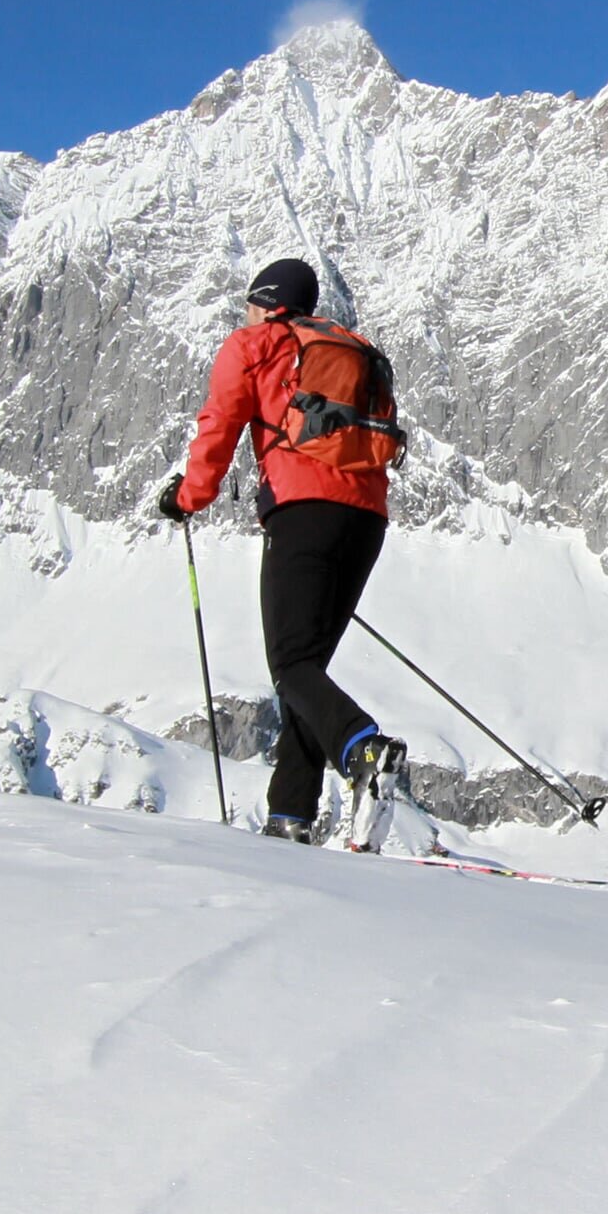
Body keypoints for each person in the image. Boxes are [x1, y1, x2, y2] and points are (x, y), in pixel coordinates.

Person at [159, 257, 408, 842]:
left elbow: (219, 424)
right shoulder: (349, 346)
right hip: (366, 518)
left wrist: (187, 499)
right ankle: (290, 816)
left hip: (303, 513)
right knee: (307, 668)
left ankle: (362, 748)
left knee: (291, 663)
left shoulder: (254, 344)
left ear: (266, 302)